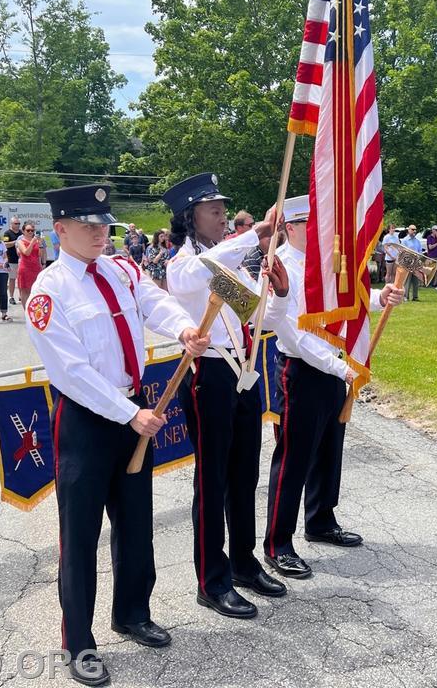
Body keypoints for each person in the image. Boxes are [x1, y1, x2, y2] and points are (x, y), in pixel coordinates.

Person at [24, 185, 209, 685]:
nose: (99, 233)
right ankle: (78, 642)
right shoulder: (49, 290)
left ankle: (131, 612)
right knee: (79, 535)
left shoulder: (123, 269)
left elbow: (154, 303)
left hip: (132, 408)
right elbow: (70, 371)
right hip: (87, 420)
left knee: (135, 522)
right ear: (59, 228)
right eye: (87, 225)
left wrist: (185, 329)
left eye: (104, 224)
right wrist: (127, 415)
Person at [163, 172, 291, 621]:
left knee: (243, 475)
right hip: (210, 375)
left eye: (223, 208)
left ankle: (243, 562)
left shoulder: (231, 260)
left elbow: (257, 315)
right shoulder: (183, 263)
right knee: (212, 479)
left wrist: (279, 291)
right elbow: (201, 272)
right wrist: (255, 234)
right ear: (189, 217)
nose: (222, 216)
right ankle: (210, 579)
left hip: (246, 372)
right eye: (213, 210)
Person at [264, 195, 403, 579]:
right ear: (290, 227)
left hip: (333, 370)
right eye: (309, 223)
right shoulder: (283, 267)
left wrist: (379, 297)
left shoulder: (325, 264)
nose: (320, 229)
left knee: (329, 449)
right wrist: (338, 368)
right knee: (293, 459)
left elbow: (349, 303)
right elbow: (291, 334)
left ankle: (321, 519)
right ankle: (278, 542)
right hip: (302, 373)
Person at [15, 222, 42, 308]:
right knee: (25, 290)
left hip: (36, 267)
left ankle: (34, 309)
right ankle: (26, 310)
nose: (30, 232)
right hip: (25, 268)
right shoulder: (20, 241)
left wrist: (40, 244)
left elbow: (39, 254)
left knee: (36, 289)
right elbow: (26, 252)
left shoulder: (36, 241)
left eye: (32, 230)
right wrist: (32, 242)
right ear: (23, 231)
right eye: (28, 230)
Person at [400, 225, 424, 301]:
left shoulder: (417, 241)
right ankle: (405, 296)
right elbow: (403, 251)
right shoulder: (405, 240)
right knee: (407, 280)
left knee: (415, 280)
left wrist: (419, 258)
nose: (414, 231)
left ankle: (415, 297)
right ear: (409, 230)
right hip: (408, 263)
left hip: (416, 262)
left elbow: (420, 251)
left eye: (415, 230)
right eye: (413, 229)